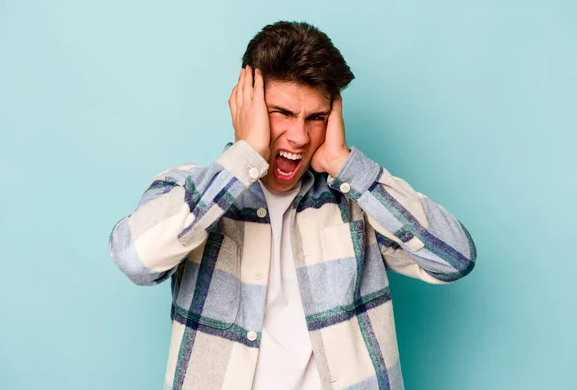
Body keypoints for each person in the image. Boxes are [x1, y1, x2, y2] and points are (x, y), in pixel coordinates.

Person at [108, 20, 476, 390]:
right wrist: (244, 157)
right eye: (281, 113)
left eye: (316, 118)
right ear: (245, 106)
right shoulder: (189, 192)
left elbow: (455, 259)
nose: (299, 137)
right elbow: (135, 260)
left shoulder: (356, 201)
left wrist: (344, 164)